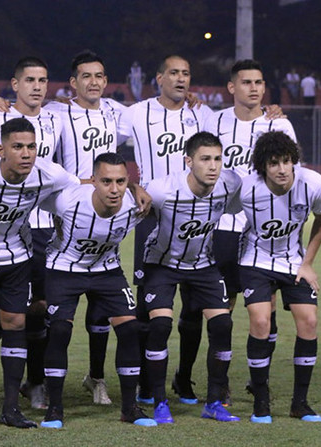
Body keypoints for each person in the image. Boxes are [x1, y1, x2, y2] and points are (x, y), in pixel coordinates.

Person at [172, 59, 296, 405]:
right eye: (246, 82)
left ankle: (260, 382)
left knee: (265, 310)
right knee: (215, 308)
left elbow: (290, 173)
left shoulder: (280, 124)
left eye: (259, 82)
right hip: (223, 227)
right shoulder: (215, 119)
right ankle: (203, 380)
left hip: (263, 232)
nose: (254, 88)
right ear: (231, 87)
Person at [0, 118, 81, 430]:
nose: (26, 153)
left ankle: (11, 410)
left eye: (31, 147)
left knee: (16, 323)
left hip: (17, 260)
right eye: (18, 146)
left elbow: (79, 189)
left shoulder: (49, 173)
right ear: (0, 149)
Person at [118, 54, 214, 404]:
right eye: (173, 72)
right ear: (158, 78)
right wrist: (130, 184)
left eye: (186, 73)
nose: (180, 79)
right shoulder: (135, 113)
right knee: (149, 304)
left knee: (193, 305)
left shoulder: (201, 113)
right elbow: (101, 147)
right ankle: (146, 381)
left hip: (196, 215)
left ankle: (184, 379)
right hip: (152, 214)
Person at [40, 152, 156, 429]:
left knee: (130, 329)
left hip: (107, 270)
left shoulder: (136, 205)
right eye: (105, 181)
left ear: (128, 181)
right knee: (59, 330)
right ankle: (54, 409)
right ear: (93, 181)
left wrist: (137, 189)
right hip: (64, 269)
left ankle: (129, 408)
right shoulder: (67, 200)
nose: (113, 189)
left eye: (120, 181)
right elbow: (32, 193)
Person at [0, 56, 62, 410]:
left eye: (42, 80)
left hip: (43, 229)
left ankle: (36, 381)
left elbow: (64, 167)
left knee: (40, 307)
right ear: (15, 85)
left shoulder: (58, 118)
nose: (37, 86)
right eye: (29, 80)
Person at [44, 50, 127, 405]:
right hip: (67, 214)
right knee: (52, 311)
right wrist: (1, 103)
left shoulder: (119, 113)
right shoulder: (55, 111)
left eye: (99, 76)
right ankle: (40, 383)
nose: (93, 82)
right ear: (73, 82)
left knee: (101, 308)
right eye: (85, 76)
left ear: (106, 81)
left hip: (107, 212)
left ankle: (95, 378)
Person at [142, 132, 241, 424]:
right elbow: (135, 205)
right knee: (160, 325)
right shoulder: (162, 190)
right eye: (205, 159)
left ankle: (214, 401)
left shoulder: (230, 183)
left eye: (218, 159)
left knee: (223, 324)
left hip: (203, 264)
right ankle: (160, 402)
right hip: (161, 264)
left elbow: (241, 205)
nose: (213, 166)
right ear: (188, 161)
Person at [239, 131, 321, 424]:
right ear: (262, 166)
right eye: (274, 162)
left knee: (310, 321)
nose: (282, 169)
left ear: (294, 162)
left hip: (294, 263)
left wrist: (308, 263)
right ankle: (261, 401)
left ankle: (299, 404)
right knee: (261, 321)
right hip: (255, 261)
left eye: (287, 161)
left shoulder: (313, 184)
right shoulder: (246, 189)